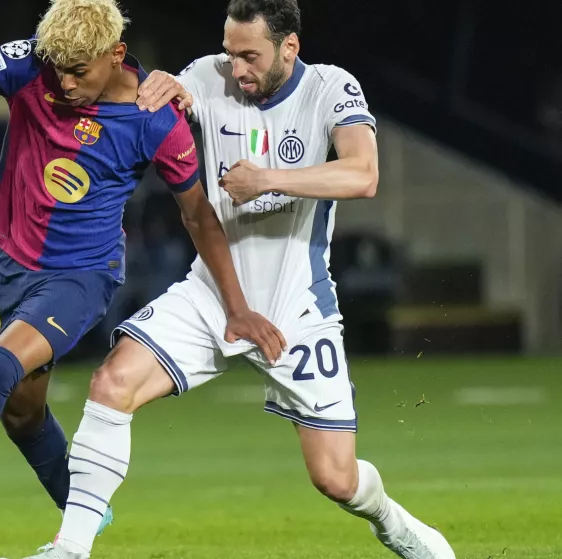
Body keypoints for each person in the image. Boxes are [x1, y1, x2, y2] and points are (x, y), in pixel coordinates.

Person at [0, 0, 283, 544]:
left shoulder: (155, 116)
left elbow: (198, 215)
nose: (65, 83)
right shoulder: (32, 64)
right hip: (12, 267)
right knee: (21, 415)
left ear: (116, 54)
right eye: (58, 69)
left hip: (81, 276)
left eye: (79, 71)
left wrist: (237, 308)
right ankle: (81, 509)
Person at [25, 1, 457, 558]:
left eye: (250, 56)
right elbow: (159, 100)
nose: (238, 68)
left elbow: (363, 174)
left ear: (289, 47)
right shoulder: (209, 76)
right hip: (212, 295)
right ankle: (70, 548)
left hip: (297, 310)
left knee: (336, 479)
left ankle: (392, 522)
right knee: (112, 383)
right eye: (230, 53)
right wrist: (149, 85)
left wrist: (269, 179)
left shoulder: (330, 88)